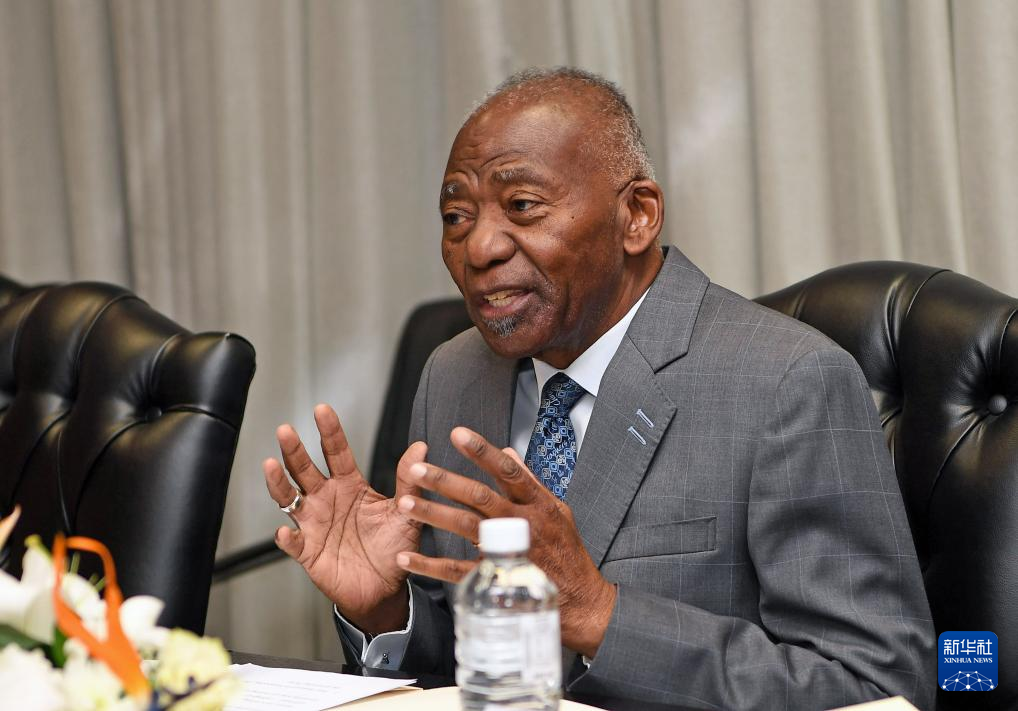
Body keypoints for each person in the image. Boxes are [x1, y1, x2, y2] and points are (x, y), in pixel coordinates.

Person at [263, 67, 935, 709]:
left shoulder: (787, 380)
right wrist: (386, 608)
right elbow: (463, 666)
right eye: (457, 216)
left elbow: (876, 684)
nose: (479, 248)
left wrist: (601, 614)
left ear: (637, 216)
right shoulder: (454, 375)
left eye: (521, 206)